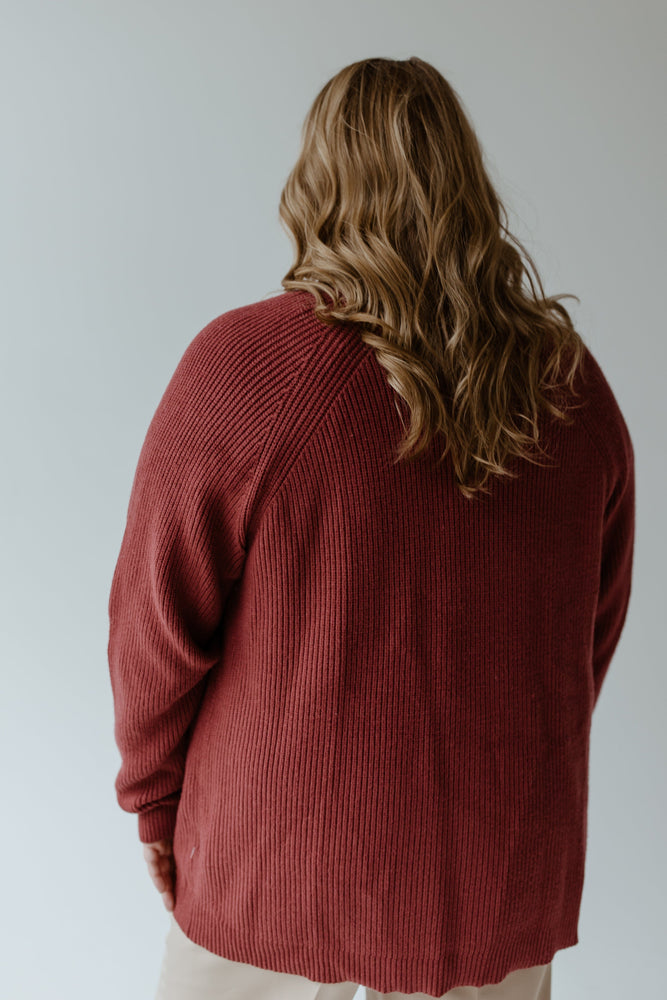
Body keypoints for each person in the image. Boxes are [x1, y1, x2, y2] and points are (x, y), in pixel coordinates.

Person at [107, 56, 635, 1000]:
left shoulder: (242, 370)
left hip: (275, 875)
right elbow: (583, 640)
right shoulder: (573, 392)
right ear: (469, 185)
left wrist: (154, 802)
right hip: (496, 884)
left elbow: (155, 628)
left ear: (314, 186)